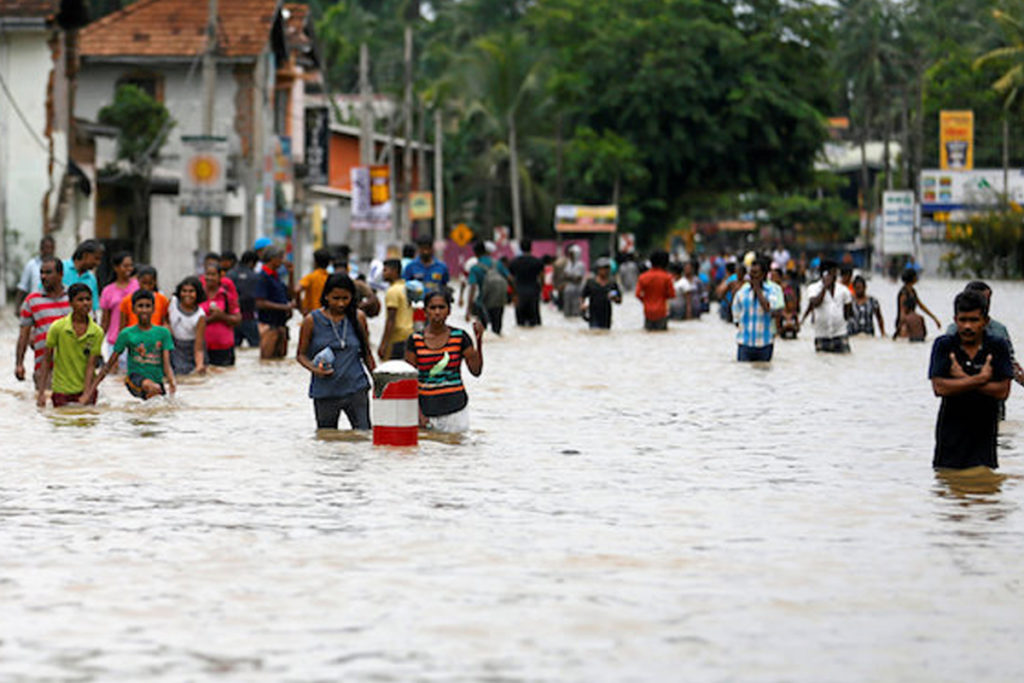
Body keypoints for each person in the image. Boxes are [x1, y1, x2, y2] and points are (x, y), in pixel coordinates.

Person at [929, 290, 1013, 470]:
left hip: (984, 437)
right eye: (962, 320)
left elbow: (1002, 391)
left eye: (974, 320)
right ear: (955, 319)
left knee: (985, 485)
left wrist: (962, 379)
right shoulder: (944, 345)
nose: (967, 326)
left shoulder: (997, 346)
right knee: (948, 486)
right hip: (950, 437)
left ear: (985, 321)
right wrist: (980, 379)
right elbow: (939, 388)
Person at [296, 273, 375, 430]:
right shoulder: (311, 320)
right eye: (335, 298)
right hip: (326, 392)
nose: (340, 304)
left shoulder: (358, 318)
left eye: (345, 298)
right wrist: (314, 369)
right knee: (327, 440)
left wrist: (378, 381)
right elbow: (301, 355)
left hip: (356, 388)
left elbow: (367, 353)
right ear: (326, 296)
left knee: (364, 435)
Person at [404, 289, 484, 433]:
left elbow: (476, 371)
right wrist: (418, 414)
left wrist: (479, 341)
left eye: (441, 307)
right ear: (425, 311)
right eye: (432, 308)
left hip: (456, 410)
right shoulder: (415, 340)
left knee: (455, 452)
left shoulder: (460, 337)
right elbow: (408, 380)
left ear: (449, 311)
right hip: (426, 411)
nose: (437, 312)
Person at [86, 289, 176, 401]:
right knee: (152, 389)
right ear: (133, 309)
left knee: (156, 408)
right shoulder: (127, 334)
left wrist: (172, 382)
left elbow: (166, 364)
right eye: (140, 306)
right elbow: (110, 364)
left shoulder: (163, 333)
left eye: (147, 306)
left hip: (156, 382)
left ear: (153, 309)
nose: (144, 310)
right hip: (134, 379)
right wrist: (90, 391)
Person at [36, 283, 104, 407]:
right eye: (80, 299)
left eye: (88, 299)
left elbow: (91, 365)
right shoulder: (58, 327)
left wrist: (87, 393)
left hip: (86, 390)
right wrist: (41, 393)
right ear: (71, 303)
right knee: (61, 423)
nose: (85, 303)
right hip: (61, 390)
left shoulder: (96, 332)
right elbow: (46, 361)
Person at [944, 281, 1024, 386]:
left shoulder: (999, 330)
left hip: (993, 389)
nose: (987, 304)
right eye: (983, 299)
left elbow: (1011, 362)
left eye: (989, 300)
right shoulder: (953, 330)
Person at [16, 256, 70, 388]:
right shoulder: (32, 301)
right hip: (45, 369)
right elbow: (23, 335)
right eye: (41, 273)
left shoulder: (74, 297)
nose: (43, 276)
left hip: (73, 368)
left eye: (48, 272)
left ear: (61, 274)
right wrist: (19, 364)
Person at [731, 257, 784, 362]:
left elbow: (768, 308)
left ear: (764, 275)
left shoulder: (772, 291)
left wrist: (758, 290)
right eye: (751, 273)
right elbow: (736, 319)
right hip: (744, 344)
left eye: (756, 273)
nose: (752, 276)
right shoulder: (742, 293)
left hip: (765, 344)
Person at [252, 246, 293, 359]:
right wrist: (284, 307)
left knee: (279, 361)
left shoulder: (276, 277)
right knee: (267, 359)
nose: (282, 261)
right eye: (281, 258)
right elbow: (260, 303)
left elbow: (290, 294)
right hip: (268, 326)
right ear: (273, 259)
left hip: (280, 325)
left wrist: (291, 274)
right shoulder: (262, 277)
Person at [804, 261, 853, 353]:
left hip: (840, 334)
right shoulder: (813, 288)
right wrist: (824, 288)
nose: (834, 276)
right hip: (821, 336)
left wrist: (840, 320)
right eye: (831, 273)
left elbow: (848, 312)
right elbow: (815, 303)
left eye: (835, 273)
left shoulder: (843, 290)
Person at [466, 241, 512, 334]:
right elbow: (510, 278)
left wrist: (469, 309)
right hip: (499, 301)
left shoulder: (475, 268)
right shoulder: (498, 264)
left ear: (475, 253)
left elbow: (473, 288)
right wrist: (514, 295)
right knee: (497, 331)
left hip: (482, 302)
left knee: (483, 332)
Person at [99, 251, 139, 357]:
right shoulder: (108, 291)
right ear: (116, 268)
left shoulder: (138, 285)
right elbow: (105, 321)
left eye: (131, 266)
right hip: (115, 342)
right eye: (125, 266)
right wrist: (97, 342)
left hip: (137, 341)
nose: (129, 269)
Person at [201, 261, 241, 366]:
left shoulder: (226, 296)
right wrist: (210, 319)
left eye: (213, 275)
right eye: (207, 274)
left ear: (220, 277)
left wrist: (222, 316)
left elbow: (238, 319)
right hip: (202, 348)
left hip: (224, 348)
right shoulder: (198, 295)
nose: (209, 277)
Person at [168, 276, 207, 376]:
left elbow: (198, 346)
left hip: (190, 349)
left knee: (189, 377)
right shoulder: (173, 302)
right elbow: (164, 317)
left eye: (191, 291)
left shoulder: (200, 316)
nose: (187, 294)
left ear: (197, 294)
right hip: (173, 346)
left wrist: (199, 365)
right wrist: (167, 327)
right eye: (184, 291)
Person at [379, 258, 414, 360]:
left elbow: (391, 319)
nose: (383, 273)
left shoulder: (392, 291)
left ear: (394, 271)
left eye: (385, 270)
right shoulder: (406, 287)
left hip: (397, 337)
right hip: (409, 333)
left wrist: (384, 343)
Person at [119, 265, 169, 331]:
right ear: (138, 281)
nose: (147, 287)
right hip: (133, 338)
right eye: (144, 283)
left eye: (150, 283)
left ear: (155, 282)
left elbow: (164, 322)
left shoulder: (162, 300)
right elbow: (123, 326)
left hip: (155, 338)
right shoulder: (127, 300)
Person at [894, 268, 940, 339]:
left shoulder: (913, 291)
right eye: (916, 276)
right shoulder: (903, 293)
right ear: (912, 278)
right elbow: (902, 311)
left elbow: (921, 306)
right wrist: (900, 327)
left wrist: (934, 318)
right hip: (904, 323)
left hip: (913, 321)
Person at [635, 250, 675, 331]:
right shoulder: (667, 277)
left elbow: (637, 294)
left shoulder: (643, 277)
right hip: (662, 312)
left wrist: (646, 301)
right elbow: (672, 294)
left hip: (647, 312)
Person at [228, 250, 260, 348]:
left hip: (232, 319)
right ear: (251, 262)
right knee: (256, 347)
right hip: (249, 317)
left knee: (234, 347)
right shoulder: (254, 276)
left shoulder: (230, 274)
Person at [508, 238, 543, 327]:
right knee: (534, 323)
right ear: (531, 248)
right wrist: (540, 288)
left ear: (520, 248)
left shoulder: (514, 262)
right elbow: (542, 277)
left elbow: (510, 278)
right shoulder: (537, 262)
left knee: (520, 323)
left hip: (519, 293)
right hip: (533, 293)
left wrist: (513, 292)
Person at [15, 235, 55, 311]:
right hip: (35, 306)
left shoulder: (58, 265)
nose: (49, 251)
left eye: (51, 248)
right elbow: (23, 287)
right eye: (47, 247)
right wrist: (17, 307)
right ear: (41, 248)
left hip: (52, 306)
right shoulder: (31, 265)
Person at [62, 240, 104, 313]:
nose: (98, 263)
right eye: (96, 258)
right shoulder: (61, 268)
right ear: (85, 255)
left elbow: (94, 307)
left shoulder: (91, 279)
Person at [581, 258, 621, 329]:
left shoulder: (612, 284)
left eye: (607, 269)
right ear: (598, 270)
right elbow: (582, 296)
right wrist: (582, 305)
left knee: (605, 332)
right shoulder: (591, 283)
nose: (605, 271)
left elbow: (619, 300)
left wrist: (615, 298)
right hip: (593, 314)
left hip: (606, 315)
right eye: (603, 269)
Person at [296, 248, 332, 315]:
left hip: (312, 315)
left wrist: (300, 307)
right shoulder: (330, 278)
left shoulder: (311, 277)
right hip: (327, 314)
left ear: (315, 262)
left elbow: (297, 289)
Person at [561, 244, 586, 318]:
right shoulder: (568, 264)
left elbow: (578, 279)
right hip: (568, 290)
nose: (570, 256)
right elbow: (565, 275)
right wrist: (571, 277)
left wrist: (569, 276)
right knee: (567, 311)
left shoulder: (580, 265)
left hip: (577, 291)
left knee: (576, 311)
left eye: (572, 254)